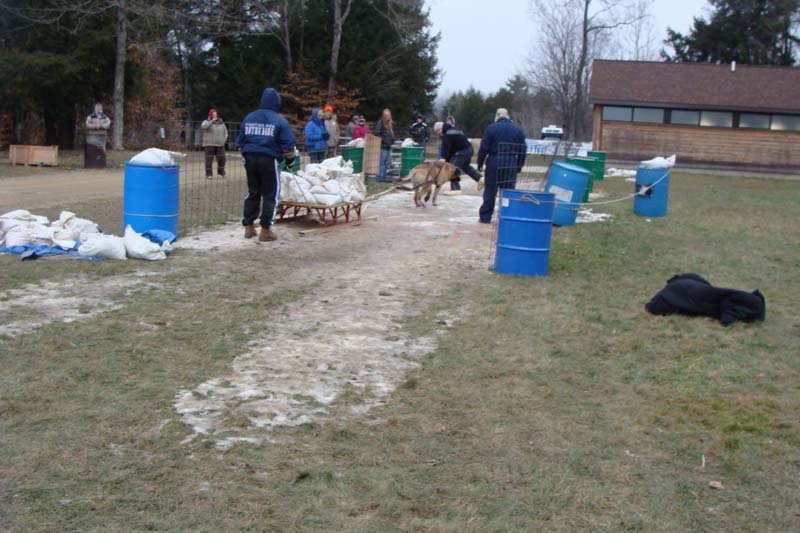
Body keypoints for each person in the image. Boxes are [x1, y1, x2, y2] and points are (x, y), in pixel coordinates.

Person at [236, 87, 297, 242]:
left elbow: (240, 140)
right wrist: (290, 161)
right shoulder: (279, 120)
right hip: (269, 159)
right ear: (277, 102)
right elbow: (288, 145)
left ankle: (248, 226)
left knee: (253, 191)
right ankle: (265, 229)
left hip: (249, 157)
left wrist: (245, 154)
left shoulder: (249, 117)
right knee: (271, 193)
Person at [476, 108, 527, 224]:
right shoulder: (518, 130)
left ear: (497, 116)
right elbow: (523, 150)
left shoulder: (491, 128)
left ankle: (485, 217)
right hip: (510, 161)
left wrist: (480, 162)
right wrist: (518, 166)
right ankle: (506, 216)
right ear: (508, 116)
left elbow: (484, 147)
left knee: (490, 190)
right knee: (508, 191)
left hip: (494, 160)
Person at [435, 120, 482, 196]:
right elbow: (453, 147)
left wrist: (444, 158)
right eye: (436, 131)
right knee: (465, 167)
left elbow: (447, 149)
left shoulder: (447, 134)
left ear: (442, 127)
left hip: (462, 151)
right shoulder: (454, 129)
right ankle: (480, 179)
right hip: (469, 149)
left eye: (438, 130)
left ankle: (455, 189)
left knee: (451, 168)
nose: (438, 132)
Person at [201, 108, 228, 179]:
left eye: (215, 114)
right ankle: (209, 174)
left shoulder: (221, 123)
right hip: (209, 144)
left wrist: (224, 140)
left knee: (222, 159)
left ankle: (221, 172)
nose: (215, 116)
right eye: (213, 114)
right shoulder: (206, 122)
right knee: (209, 160)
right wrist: (211, 121)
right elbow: (203, 127)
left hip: (220, 144)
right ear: (210, 115)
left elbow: (225, 132)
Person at [374, 108, 395, 181]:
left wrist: (392, 140)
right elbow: (377, 133)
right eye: (386, 115)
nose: (387, 117)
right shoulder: (380, 123)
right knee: (382, 162)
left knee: (387, 162)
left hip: (389, 146)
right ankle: (380, 177)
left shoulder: (391, 124)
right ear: (383, 115)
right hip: (383, 146)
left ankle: (384, 176)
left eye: (388, 115)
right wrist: (384, 140)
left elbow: (391, 134)